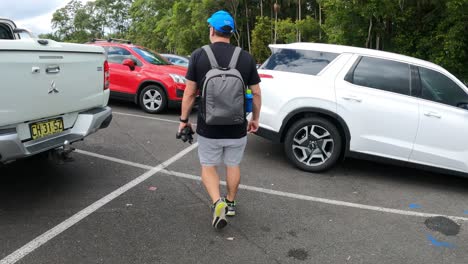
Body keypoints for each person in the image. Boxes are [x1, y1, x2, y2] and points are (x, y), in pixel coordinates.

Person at [178, 10, 261, 229]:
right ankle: (231, 203)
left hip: (209, 127)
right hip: (237, 127)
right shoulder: (245, 57)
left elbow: (189, 93)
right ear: (230, 33)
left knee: (208, 166)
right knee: (233, 165)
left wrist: (183, 120)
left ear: (212, 30)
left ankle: (217, 202)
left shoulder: (198, 55)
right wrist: (255, 118)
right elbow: (257, 93)